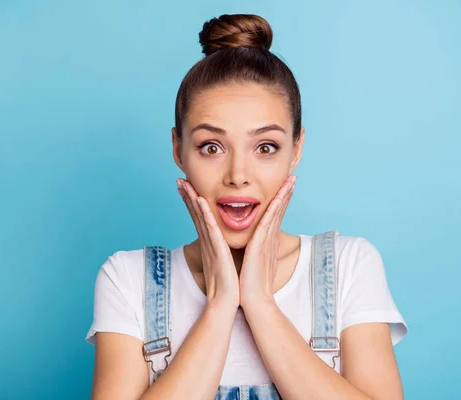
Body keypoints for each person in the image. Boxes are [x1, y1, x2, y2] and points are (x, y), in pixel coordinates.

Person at [85, 13, 407, 400]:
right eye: (212, 147)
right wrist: (221, 305)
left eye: (265, 147)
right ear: (178, 149)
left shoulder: (349, 267)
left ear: (296, 149)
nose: (238, 174)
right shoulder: (129, 279)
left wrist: (259, 303)